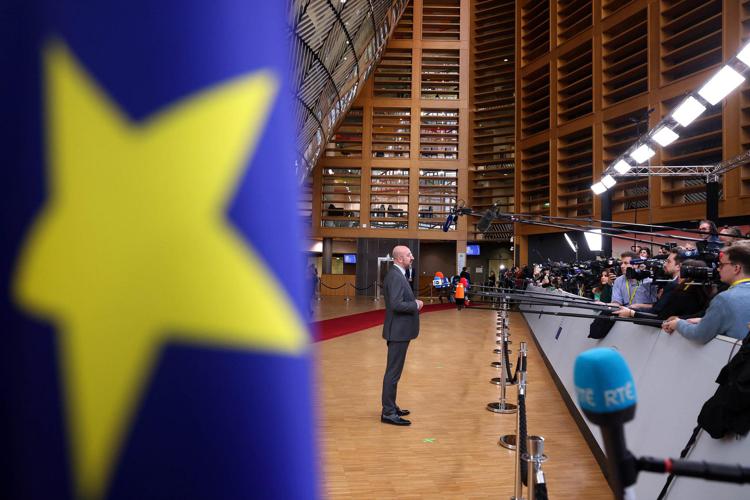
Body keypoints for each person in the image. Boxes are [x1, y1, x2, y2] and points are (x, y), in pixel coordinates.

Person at [662, 244, 750, 342]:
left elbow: (699, 335)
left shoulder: (725, 299)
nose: (718, 269)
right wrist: (704, 321)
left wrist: (678, 324)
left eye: (721, 265)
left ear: (736, 268)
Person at [381, 245, 423, 426]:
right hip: (397, 332)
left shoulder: (398, 274)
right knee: (393, 374)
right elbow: (396, 304)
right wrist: (416, 304)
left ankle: (392, 406)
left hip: (400, 331)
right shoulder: (395, 276)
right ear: (399, 258)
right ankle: (388, 412)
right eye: (408, 255)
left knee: (395, 373)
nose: (412, 257)